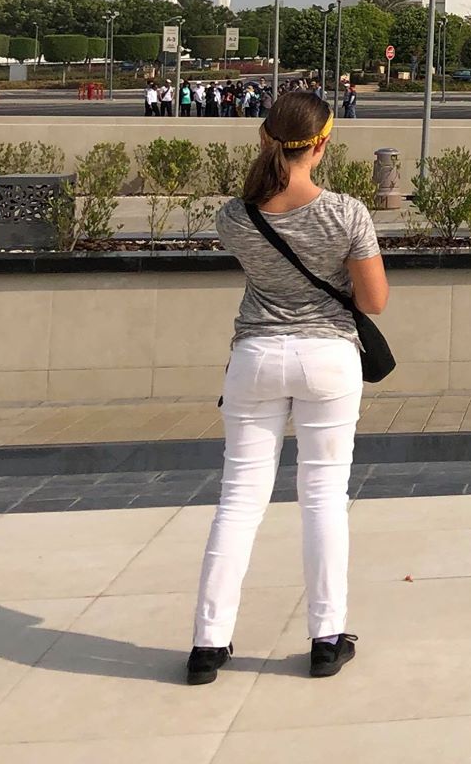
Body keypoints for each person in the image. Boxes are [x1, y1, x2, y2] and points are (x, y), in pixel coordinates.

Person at [187, 90, 388, 686]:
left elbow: (263, 268)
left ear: (266, 138)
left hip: (254, 357)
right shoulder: (346, 212)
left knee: (239, 501)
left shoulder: (235, 215)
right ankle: (326, 637)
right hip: (327, 358)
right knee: (324, 496)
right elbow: (373, 300)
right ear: (322, 143)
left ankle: (207, 644)